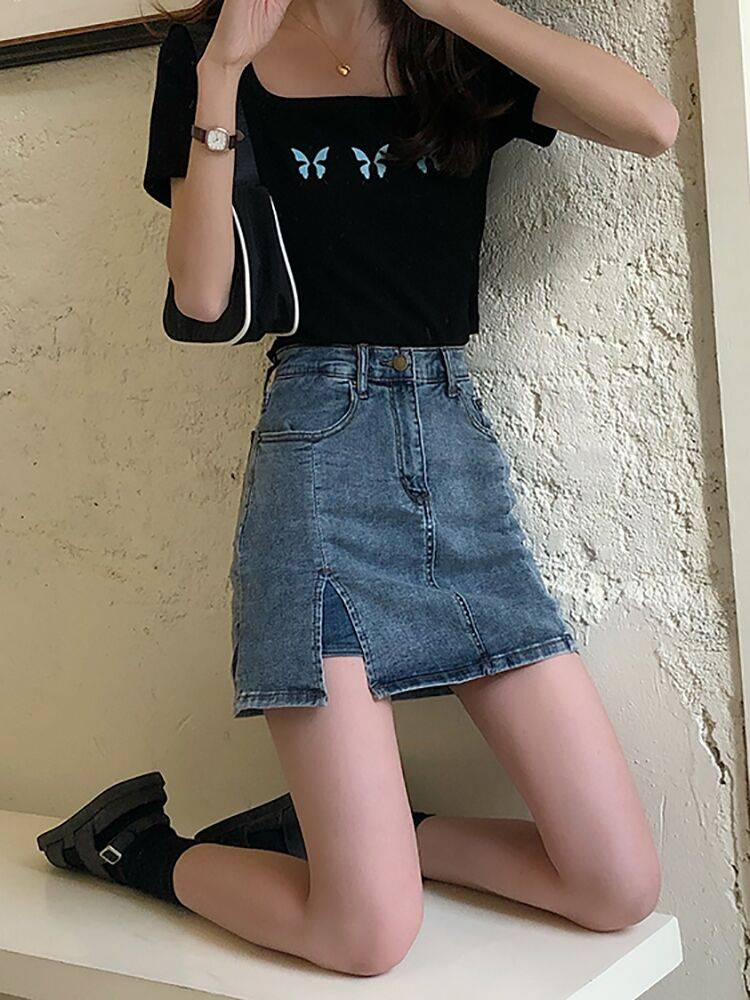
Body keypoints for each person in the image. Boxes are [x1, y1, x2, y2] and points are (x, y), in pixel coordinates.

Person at [37, 0, 678, 977]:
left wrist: (450, 3)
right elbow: (204, 297)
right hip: (317, 459)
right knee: (365, 936)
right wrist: (223, 75)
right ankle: (134, 845)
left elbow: (652, 124)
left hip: (452, 453)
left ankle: (332, 834)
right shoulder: (211, 52)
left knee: (615, 886)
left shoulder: (452, 44)